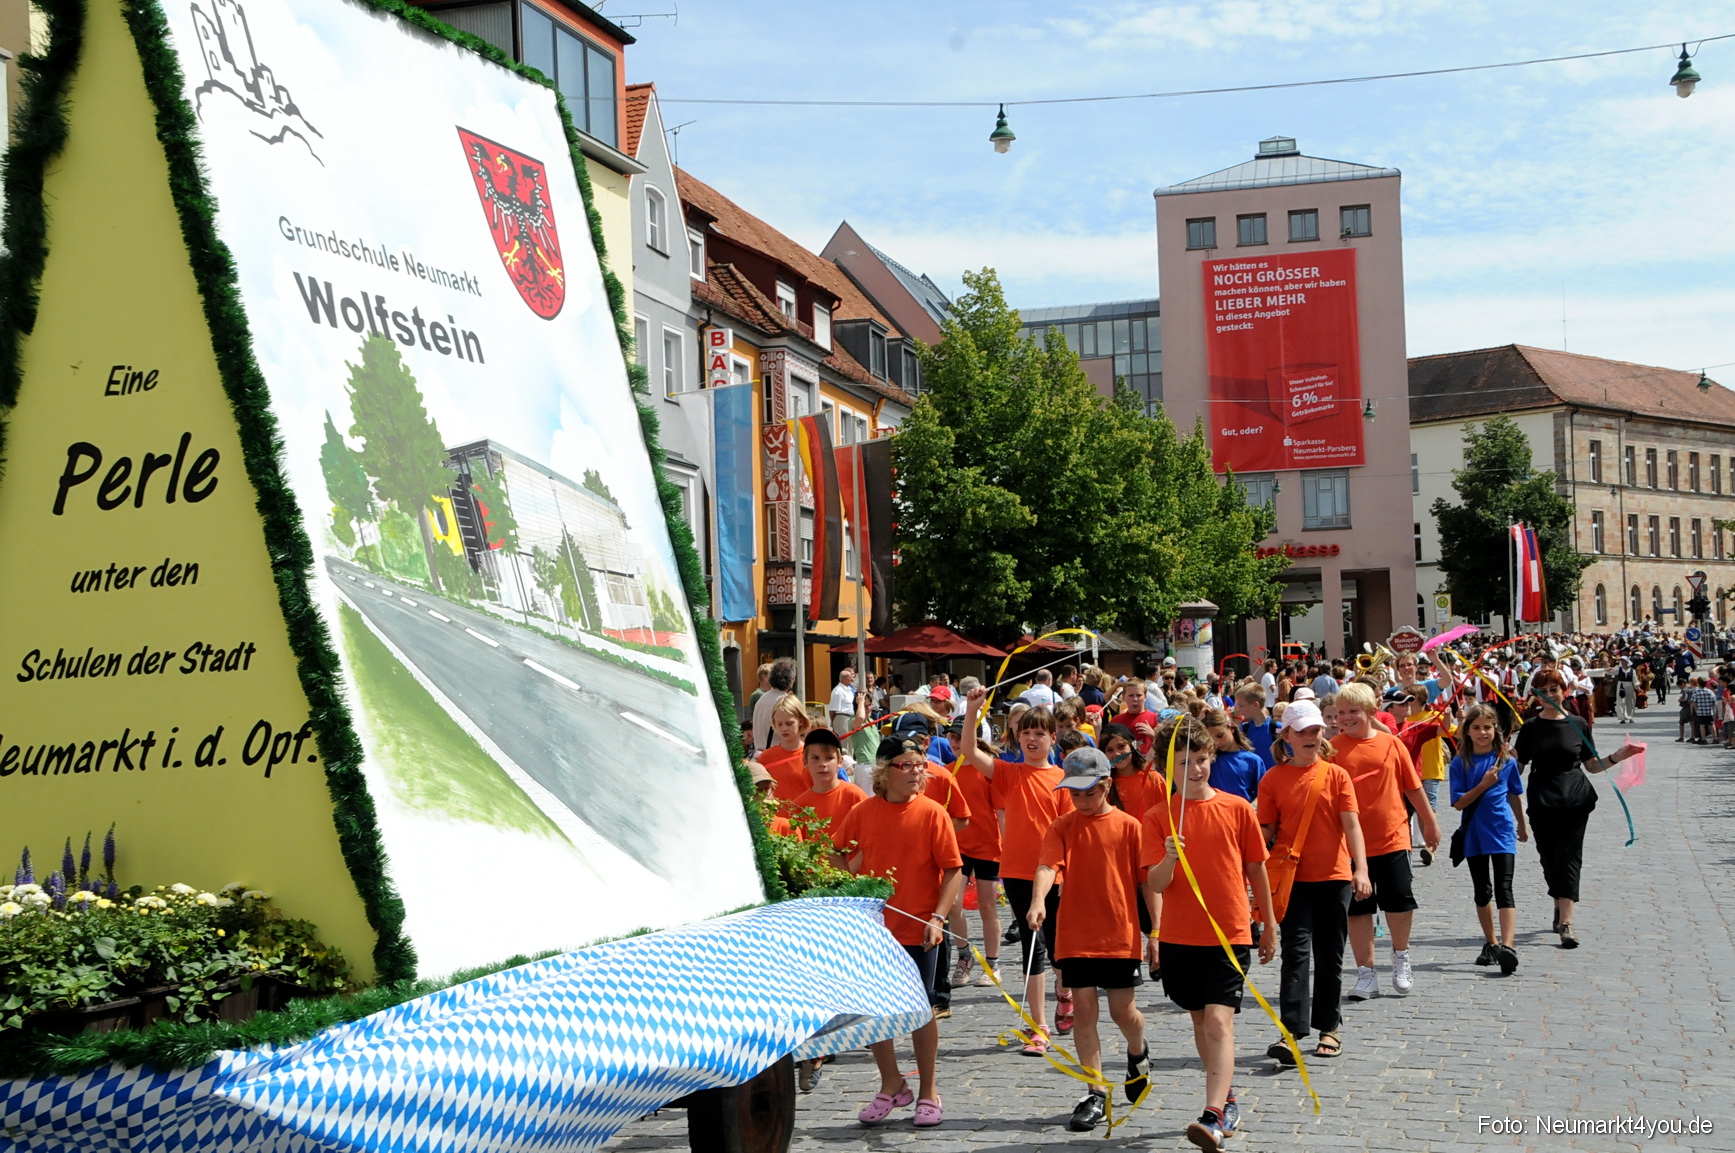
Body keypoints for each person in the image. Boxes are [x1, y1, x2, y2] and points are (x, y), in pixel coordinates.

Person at [1143, 716, 1275, 1151]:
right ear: (1167, 768)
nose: (1196, 770)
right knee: (1201, 1022)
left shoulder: (1237, 808)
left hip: (1230, 931)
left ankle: (1212, 1113)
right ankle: (1227, 1095)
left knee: (1219, 1021)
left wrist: (1268, 923)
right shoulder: (1157, 817)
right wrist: (1169, 857)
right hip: (1181, 936)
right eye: (1184, 763)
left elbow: (1256, 868)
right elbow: (1156, 884)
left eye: (1201, 760)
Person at [832, 737, 964, 1128]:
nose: (916, 772)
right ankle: (892, 1083)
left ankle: (928, 1090)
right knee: (877, 1010)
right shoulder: (863, 811)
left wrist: (939, 918)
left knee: (920, 1010)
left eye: (920, 764)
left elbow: (953, 869)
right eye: (906, 765)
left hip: (920, 928)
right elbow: (836, 850)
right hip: (876, 929)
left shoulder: (933, 813)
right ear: (884, 772)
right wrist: (854, 884)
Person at [1029, 748, 1150, 1133]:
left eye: (1089, 792)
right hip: (1074, 932)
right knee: (1083, 1010)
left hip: (1119, 931)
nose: (1081, 800)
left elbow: (1147, 882)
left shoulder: (1130, 826)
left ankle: (1138, 1050)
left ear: (1107, 786)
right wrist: (1037, 901)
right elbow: (1048, 865)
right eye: (1074, 793)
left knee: (1122, 1012)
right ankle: (1095, 1091)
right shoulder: (1061, 826)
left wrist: (1158, 932)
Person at [1256, 700, 1369, 1063]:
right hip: (1294, 880)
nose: (1310, 737)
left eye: (1316, 730)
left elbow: (1352, 825)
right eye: (1302, 731)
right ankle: (1290, 1032)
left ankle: (1329, 1027)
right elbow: (1267, 828)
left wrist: (1361, 869)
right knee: (1296, 954)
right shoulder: (1273, 778)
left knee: (1330, 955)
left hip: (1334, 876)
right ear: (1286, 735)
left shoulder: (1337, 776)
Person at [961, 686, 1071, 1055]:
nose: (1032, 738)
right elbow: (970, 752)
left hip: (1054, 873)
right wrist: (973, 711)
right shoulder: (1008, 773)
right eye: (1026, 732)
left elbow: (1071, 831)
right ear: (1016, 737)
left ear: (1052, 738)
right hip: (1019, 872)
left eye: (1039, 732)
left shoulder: (1062, 779)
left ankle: (1065, 988)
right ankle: (1038, 1024)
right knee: (1031, 945)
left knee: (1058, 946)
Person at [1515, 670, 1640, 949]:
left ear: (1565, 691)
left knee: (1570, 857)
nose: (1550, 695)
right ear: (1535, 695)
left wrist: (1620, 755)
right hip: (1542, 798)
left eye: (1554, 689)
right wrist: (1503, 758)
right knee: (1549, 858)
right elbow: (1519, 766)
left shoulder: (1579, 723)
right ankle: (1560, 901)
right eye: (1543, 691)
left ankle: (1567, 922)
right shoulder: (1530, 727)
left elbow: (1592, 765)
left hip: (1575, 798)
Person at [1331, 682, 1440, 999]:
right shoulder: (1333, 749)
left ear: (1369, 712)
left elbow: (1413, 787)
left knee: (1399, 901)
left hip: (1392, 836)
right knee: (1358, 909)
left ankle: (1400, 956)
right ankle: (1366, 973)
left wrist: (1429, 822)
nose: (1346, 718)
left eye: (1352, 711)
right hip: (1351, 843)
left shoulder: (1391, 745)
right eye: (1341, 713)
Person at [1448, 704, 1526, 975]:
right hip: (1474, 833)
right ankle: (1491, 942)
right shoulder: (1460, 763)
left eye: (1488, 727)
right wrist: (1482, 784)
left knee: (1505, 887)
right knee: (1483, 890)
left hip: (1502, 830)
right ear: (1467, 732)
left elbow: (1515, 794)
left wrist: (1522, 825)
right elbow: (1458, 803)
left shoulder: (1506, 761)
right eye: (1477, 728)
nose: (1483, 733)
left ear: (1496, 730)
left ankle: (1508, 946)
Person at [786, 728, 868, 833]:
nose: (822, 764)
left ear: (840, 761)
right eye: (815, 758)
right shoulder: (800, 805)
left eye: (829, 758)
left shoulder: (854, 796)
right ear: (805, 762)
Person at [758, 694, 811, 806]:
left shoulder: (812, 755)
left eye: (789, 723)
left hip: (806, 819)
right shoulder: (766, 757)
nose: (784, 728)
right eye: (779, 724)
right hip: (775, 820)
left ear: (800, 721)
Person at [1203, 708, 1263, 801]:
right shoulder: (1208, 760)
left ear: (1231, 729)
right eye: (1211, 739)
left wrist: (1250, 808)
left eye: (1220, 735)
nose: (1216, 742)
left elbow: (1263, 793)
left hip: (1242, 813)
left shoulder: (1253, 760)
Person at [751, 657, 796, 754]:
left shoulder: (761, 700)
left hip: (758, 753)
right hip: (776, 755)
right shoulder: (785, 703)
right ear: (791, 680)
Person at [1233, 683, 1278, 772]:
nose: (1238, 709)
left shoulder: (1277, 728)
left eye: (1241, 705)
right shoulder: (1244, 728)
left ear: (1255, 705)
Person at [828, 667, 857, 735]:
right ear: (844, 679)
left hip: (850, 718)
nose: (852, 680)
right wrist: (833, 721)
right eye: (850, 677)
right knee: (844, 742)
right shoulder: (838, 691)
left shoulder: (849, 690)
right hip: (842, 719)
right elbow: (832, 710)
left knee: (850, 742)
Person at [1613, 658, 1637, 724]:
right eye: (1622, 661)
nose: (1623, 662)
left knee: (1630, 702)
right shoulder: (1618, 669)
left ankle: (1630, 717)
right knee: (1621, 701)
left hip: (1630, 685)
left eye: (1624, 661)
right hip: (1621, 685)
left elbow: (1635, 679)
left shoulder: (1632, 670)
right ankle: (1622, 718)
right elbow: (1611, 672)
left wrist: (1637, 686)